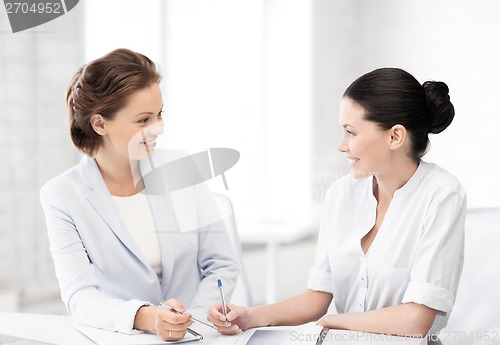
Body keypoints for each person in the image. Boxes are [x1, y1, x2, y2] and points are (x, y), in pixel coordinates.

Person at [208, 67, 466, 338]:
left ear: (395, 136)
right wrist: (249, 316)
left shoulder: (442, 194)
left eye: (351, 132)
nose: (341, 145)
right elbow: (316, 297)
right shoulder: (341, 194)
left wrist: (336, 322)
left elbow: (416, 319)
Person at [40, 48, 239, 341]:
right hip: (123, 337)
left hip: (197, 336)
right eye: (143, 120)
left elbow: (222, 264)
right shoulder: (62, 196)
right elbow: (80, 297)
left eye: (160, 114)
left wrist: (190, 321)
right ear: (99, 124)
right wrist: (148, 317)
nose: (159, 128)